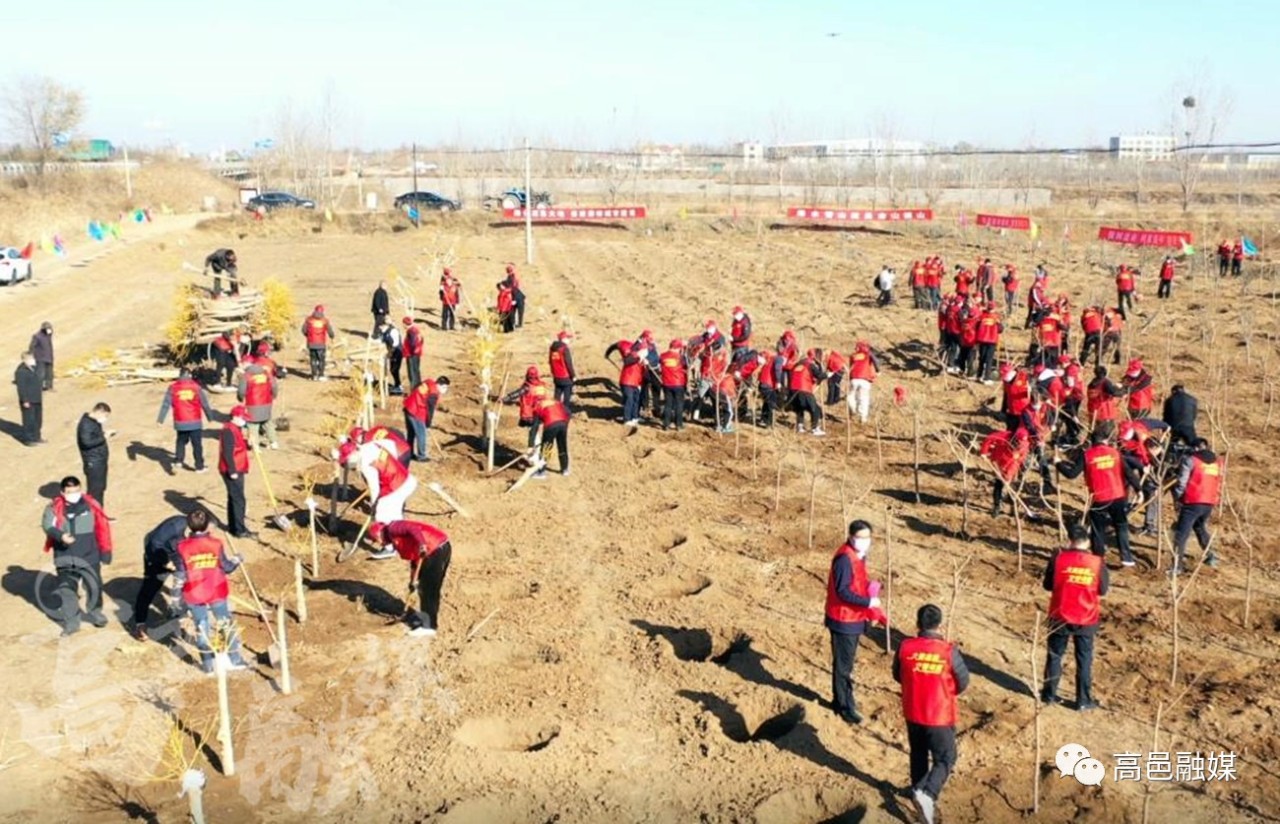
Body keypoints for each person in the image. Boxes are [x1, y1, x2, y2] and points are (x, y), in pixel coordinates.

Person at [894, 603, 970, 824]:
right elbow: (963, 680)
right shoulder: (948, 651)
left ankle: (917, 791)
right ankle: (927, 793)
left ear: (918, 624)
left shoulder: (905, 647)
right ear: (940, 624)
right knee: (946, 758)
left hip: (913, 711)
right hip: (939, 714)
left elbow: (898, 675)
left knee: (918, 753)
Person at [824, 519, 886, 725]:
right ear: (850, 537)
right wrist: (869, 601)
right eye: (860, 537)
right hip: (843, 619)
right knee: (843, 667)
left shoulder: (859, 556)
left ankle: (843, 700)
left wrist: (871, 589)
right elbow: (842, 592)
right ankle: (843, 706)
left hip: (853, 617)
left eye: (867, 537)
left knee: (846, 664)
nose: (864, 541)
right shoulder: (844, 559)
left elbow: (856, 582)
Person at [174, 508, 249, 673]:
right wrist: (237, 559)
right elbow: (227, 567)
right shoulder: (215, 544)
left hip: (193, 592)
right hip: (216, 589)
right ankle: (234, 659)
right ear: (207, 525)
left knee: (202, 627)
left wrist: (176, 597)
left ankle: (208, 666)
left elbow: (180, 572)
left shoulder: (181, 547)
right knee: (224, 623)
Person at [1041, 524, 1107, 711]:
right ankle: (1083, 700)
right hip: (1086, 617)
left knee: (1054, 655)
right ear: (1087, 541)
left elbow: (1047, 585)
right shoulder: (1097, 562)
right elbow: (1103, 589)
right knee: (1084, 659)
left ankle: (1049, 695)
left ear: (1069, 540)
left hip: (1060, 615)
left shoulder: (1058, 559)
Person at [42, 476, 113, 636]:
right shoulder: (53, 508)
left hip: (89, 555)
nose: (74, 494)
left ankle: (96, 613)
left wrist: (105, 552)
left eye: (76, 491)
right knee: (67, 591)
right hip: (65, 557)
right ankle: (72, 624)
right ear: (62, 492)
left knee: (94, 586)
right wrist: (61, 536)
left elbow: (102, 528)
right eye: (69, 492)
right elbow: (48, 525)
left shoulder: (91, 505)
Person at [1058, 430, 1134, 567]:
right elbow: (1128, 472)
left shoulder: (1087, 455)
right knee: (1121, 526)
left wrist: (1058, 463)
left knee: (1098, 530)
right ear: (1105, 440)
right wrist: (1139, 489)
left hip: (1099, 498)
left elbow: (1071, 474)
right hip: (1117, 496)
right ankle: (1126, 557)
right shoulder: (1115, 453)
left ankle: (1098, 558)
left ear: (1092, 442)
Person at [371, 520, 453, 637]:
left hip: (434, 549)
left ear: (379, 533)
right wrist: (413, 580)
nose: (378, 543)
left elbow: (412, 528)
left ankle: (429, 626)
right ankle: (428, 620)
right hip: (437, 549)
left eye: (376, 540)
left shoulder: (393, 528)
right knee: (426, 588)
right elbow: (414, 560)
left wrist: (422, 544)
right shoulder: (396, 541)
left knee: (428, 590)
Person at [346, 438, 418, 558]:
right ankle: (401, 541)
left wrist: (374, 506)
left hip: (396, 486)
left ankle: (389, 548)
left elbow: (374, 488)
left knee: (381, 516)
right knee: (394, 515)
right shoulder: (371, 445)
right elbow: (391, 444)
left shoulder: (365, 464)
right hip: (405, 478)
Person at [130, 512, 189, 640]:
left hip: (179, 559)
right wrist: (165, 563)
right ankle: (140, 623)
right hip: (158, 557)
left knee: (185, 587)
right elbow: (155, 543)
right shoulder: (174, 526)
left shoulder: (198, 530)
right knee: (150, 589)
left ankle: (181, 617)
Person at [1171, 438, 1223, 573]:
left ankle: (1177, 566)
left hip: (1193, 500)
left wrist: (1178, 498)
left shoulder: (1191, 460)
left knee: (1181, 534)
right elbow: (1218, 481)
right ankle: (1211, 555)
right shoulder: (1217, 462)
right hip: (1209, 502)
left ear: (1194, 448)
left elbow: (1182, 481)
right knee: (1199, 527)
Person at [219, 405, 255, 539]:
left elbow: (238, 445)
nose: (245, 421)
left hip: (238, 467)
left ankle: (234, 527)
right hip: (233, 469)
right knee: (239, 500)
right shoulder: (228, 431)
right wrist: (232, 471)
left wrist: (248, 444)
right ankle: (240, 530)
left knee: (233, 498)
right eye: (243, 418)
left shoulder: (236, 428)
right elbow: (227, 453)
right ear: (235, 417)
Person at [981, 427, 1030, 517]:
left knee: (1012, 488)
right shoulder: (1004, 436)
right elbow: (989, 438)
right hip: (999, 462)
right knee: (998, 485)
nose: (1020, 444)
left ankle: (1013, 508)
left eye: (1022, 442)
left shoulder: (1025, 446)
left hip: (1012, 466)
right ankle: (997, 506)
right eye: (1018, 441)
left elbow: (1018, 461)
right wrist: (984, 452)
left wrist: (1008, 475)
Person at [237, 352, 279, 449]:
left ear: (246, 364)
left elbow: (241, 391)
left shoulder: (246, 376)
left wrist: (240, 398)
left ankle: (255, 445)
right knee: (267, 422)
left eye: (242, 364)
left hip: (253, 403)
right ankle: (274, 442)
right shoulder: (266, 373)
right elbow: (274, 385)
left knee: (252, 424)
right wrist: (274, 396)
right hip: (267, 402)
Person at [403, 376, 450, 461]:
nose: (445, 390)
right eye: (444, 387)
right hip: (416, 411)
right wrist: (428, 423)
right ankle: (422, 456)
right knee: (421, 434)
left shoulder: (429, 382)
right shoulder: (434, 394)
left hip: (408, 407)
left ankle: (409, 453)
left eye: (446, 387)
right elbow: (430, 410)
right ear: (438, 385)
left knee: (411, 433)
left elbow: (416, 386)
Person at [76, 402, 115, 506]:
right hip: (93, 462)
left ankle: (100, 516)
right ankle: (93, 518)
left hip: (99, 460)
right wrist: (104, 437)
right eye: (105, 416)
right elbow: (86, 442)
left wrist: (103, 434)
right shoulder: (86, 424)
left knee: (100, 488)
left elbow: (93, 437)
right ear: (99, 412)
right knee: (95, 491)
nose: (105, 419)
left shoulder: (94, 422)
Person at [530, 391, 571, 478]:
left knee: (546, 447)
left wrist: (530, 445)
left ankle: (541, 471)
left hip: (551, 425)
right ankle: (565, 469)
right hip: (563, 423)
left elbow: (534, 428)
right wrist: (565, 424)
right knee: (562, 446)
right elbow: (568, 412)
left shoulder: (537, 406)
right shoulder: (554, 401)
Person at [789, 349, 826, 436]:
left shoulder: (798, 364)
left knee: (800, 408)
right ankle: (815, 428)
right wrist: (827, 374)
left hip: (793, 389)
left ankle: (800, 426)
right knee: (815, 409)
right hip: (804, 388)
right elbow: (819, 375)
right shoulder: (810, 365)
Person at [846, 341, 879, 424]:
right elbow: (876, 361)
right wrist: (878, 371)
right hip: (865, 379)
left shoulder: (853, 356)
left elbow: (851, 367)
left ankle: (852, 408)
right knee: (863, 398)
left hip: (854, 378)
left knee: (851, 396)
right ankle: (863, 417)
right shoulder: (868, 354)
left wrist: (849, 378)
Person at [14, 350, 43, 445]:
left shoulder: (33, 368)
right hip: (28, 400)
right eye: (31, 358)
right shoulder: (20, 372)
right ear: (25, 360)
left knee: (38, 419)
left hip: (37, 398)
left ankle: (37, 437)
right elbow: (21, 388)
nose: (33, 360)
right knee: (29, 420)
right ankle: (28, 439)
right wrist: (25, 400)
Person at [660, 339, 688, 431]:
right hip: (678, 383)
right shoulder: (680, 357)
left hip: (666, 383)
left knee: (668, 404)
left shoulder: (663, 356)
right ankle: (678, 424)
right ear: (678, 348)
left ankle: (666, 424)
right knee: (679, 404)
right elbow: (685, 366)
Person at [301, 305, 335, 381]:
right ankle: (321, 375)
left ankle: (314, 375)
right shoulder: (325, 321)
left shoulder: (308, 320)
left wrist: (308, 336)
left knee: (313, 359)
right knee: (321, 360)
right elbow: (330, 331)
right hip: (321, 344)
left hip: (311, 343)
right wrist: (332, 336)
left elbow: (303, 330)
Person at [548, 331, 576, 408]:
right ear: (564, 339)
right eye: (568, 338)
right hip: (565, 376)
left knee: (557, 394)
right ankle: (565, 410)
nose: (569, 340)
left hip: (556, 376)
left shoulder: (552, 349)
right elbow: (568, 363)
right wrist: (573, 375)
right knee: (567, 395)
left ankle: (555, 409)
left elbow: (550, 361)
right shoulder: (564, 349)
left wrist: (553, 373)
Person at [379, 321, 404, 395]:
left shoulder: (393, 331)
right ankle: (397, 385)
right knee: (392, 370)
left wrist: (390, 353)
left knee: (394, 369)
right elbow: (382, 342)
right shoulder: (384, 332)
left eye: (380, 326)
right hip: (391, 353)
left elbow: (395, 344)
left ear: (384, 325)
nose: (379, 328)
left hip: (397, 352)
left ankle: (399, 386)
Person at [28, 321, 54, 391]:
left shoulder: (48, 335)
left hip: (49, 357)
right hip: (40, 358)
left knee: (49, 373)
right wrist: (31, 355)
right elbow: (32, 346)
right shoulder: (37, 336)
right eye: (47, 328)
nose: (49, 330)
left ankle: (49, 386)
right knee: (40, 373)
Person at [402, 316, 424, 388]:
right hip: (416, 354)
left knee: (412, 372)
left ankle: (414, 388)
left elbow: (413, 343)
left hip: (412, 354)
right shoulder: (416, 330)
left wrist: (411, 351)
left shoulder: (411, 331)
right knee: (416, 371)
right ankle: (418, 387)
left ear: (405, 324)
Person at [503, 264, 526, 328]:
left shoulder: (514, 277)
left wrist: (514, 299)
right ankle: (513, 323)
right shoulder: (509, 277)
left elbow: (515, 287)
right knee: (513, 311)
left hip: (518, 296)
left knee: (518, 311)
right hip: (514, 296)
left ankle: (519, 324)